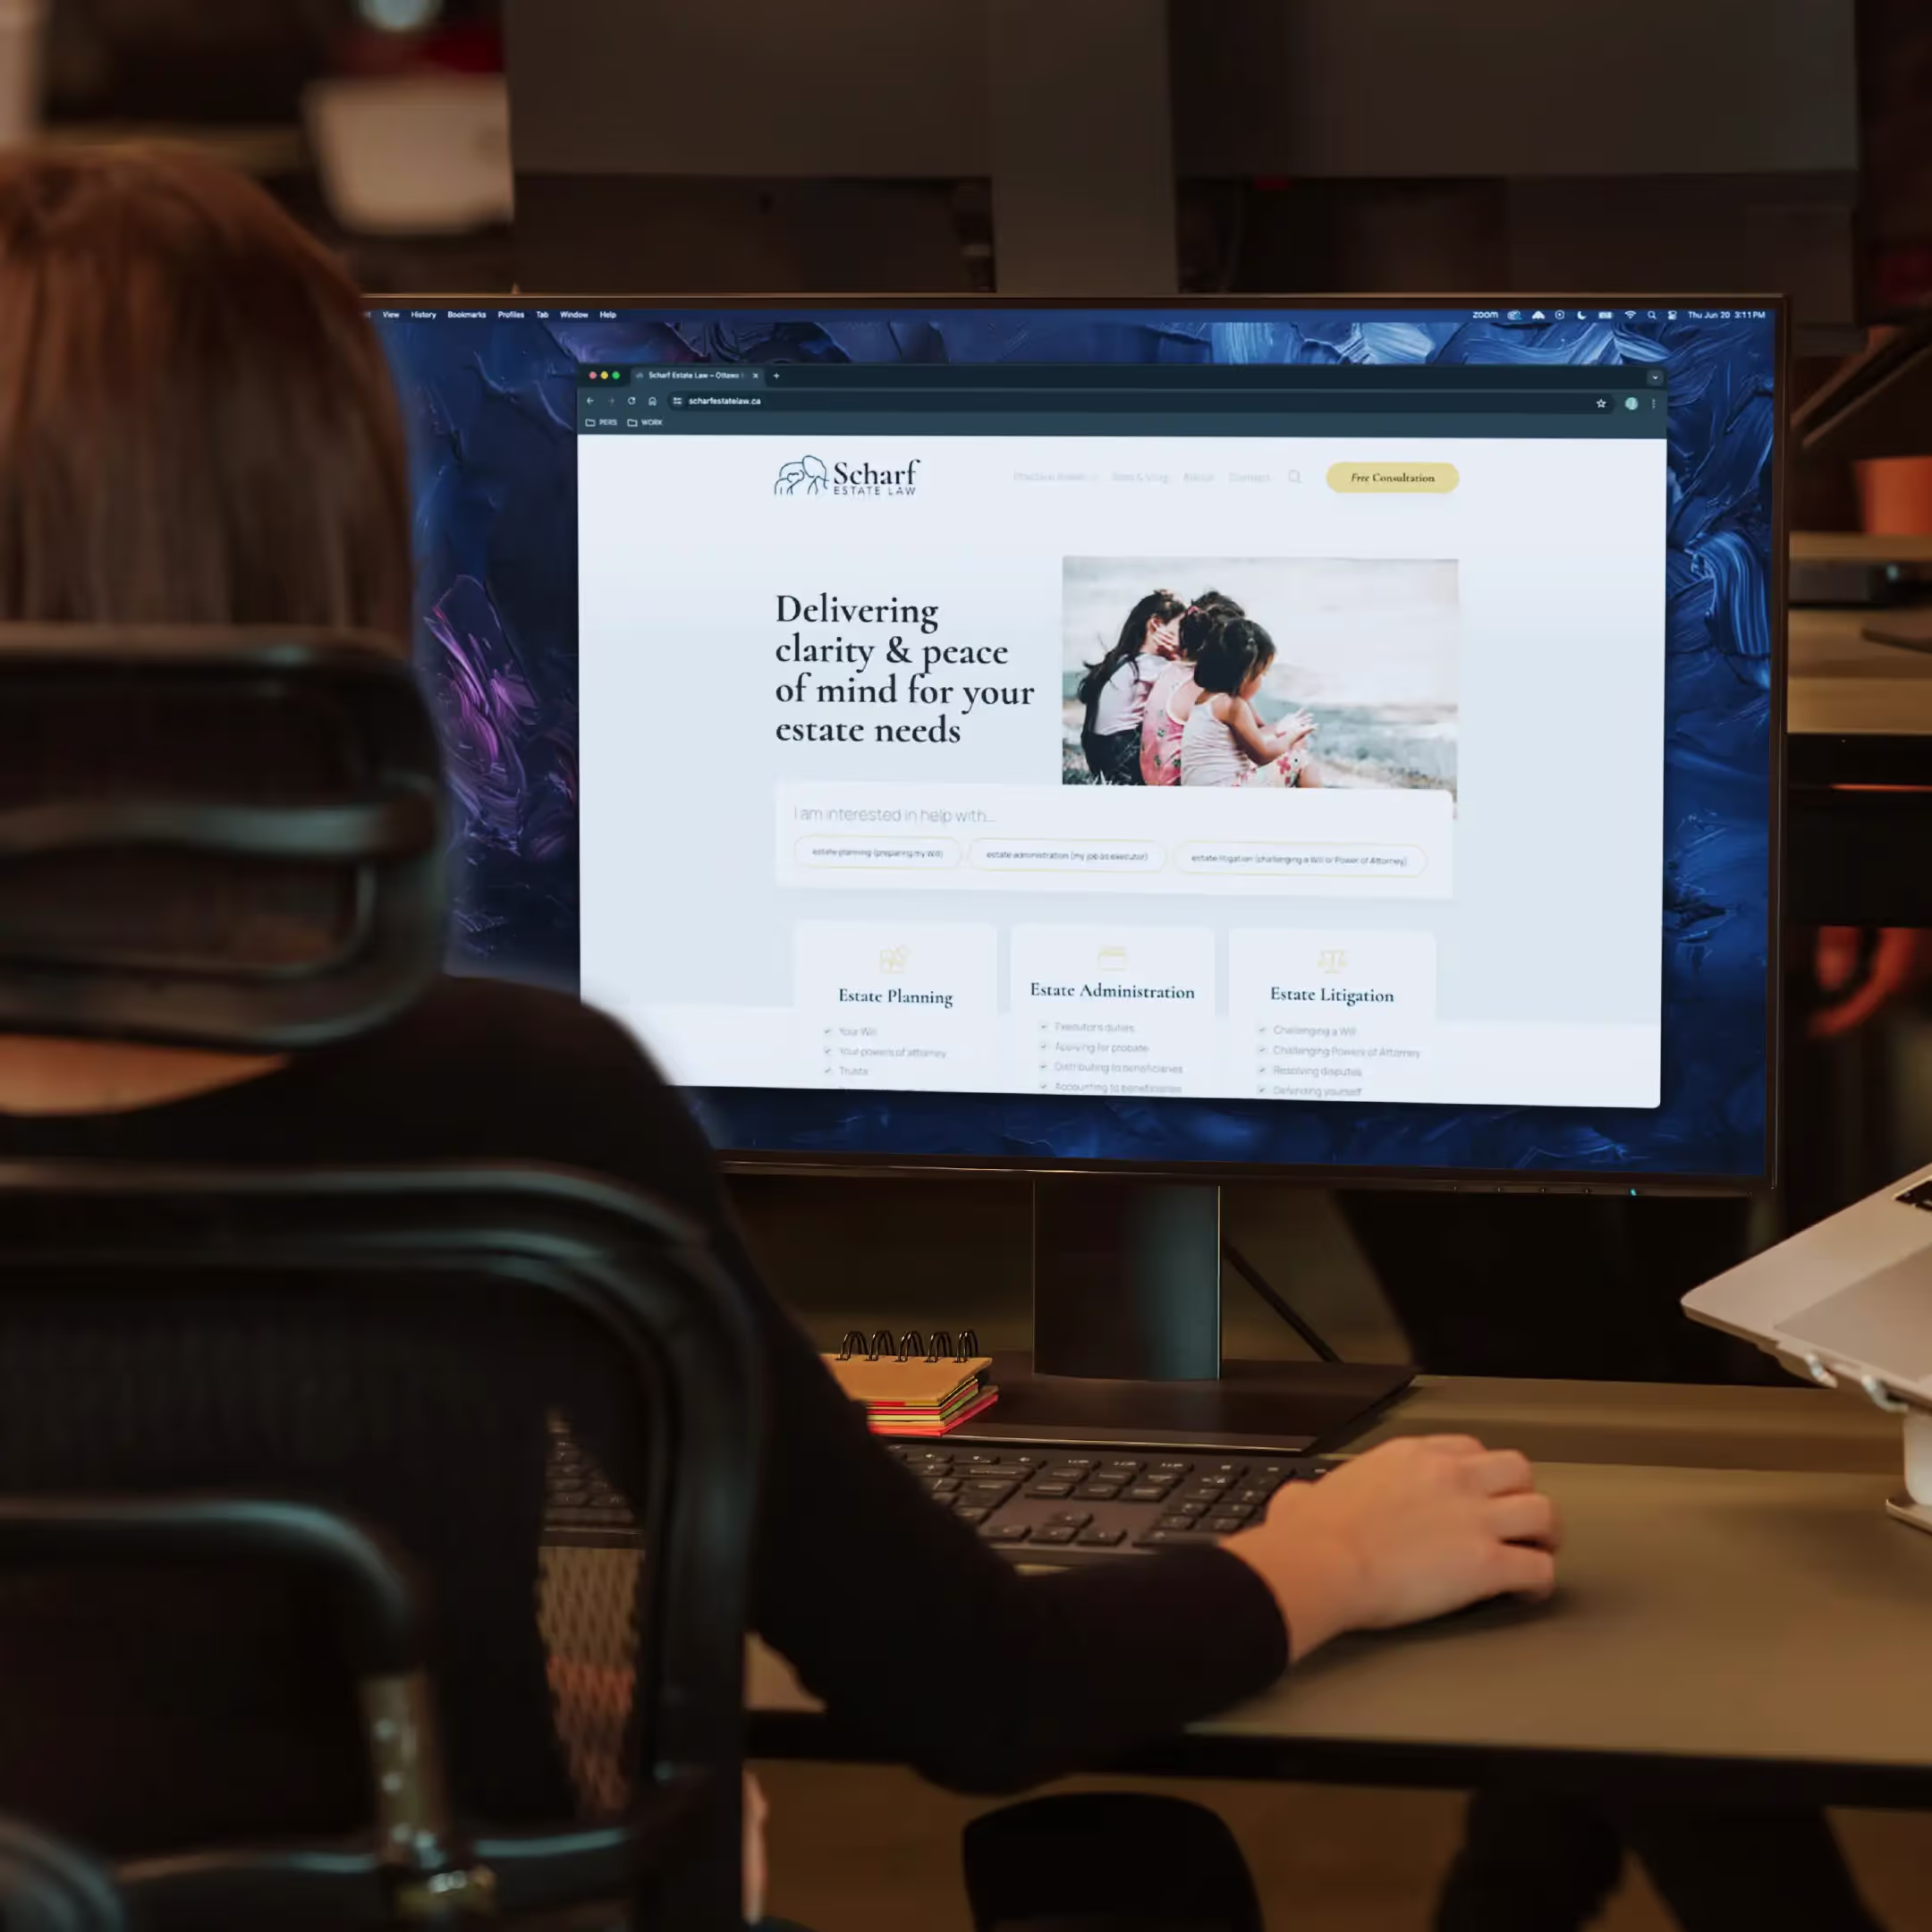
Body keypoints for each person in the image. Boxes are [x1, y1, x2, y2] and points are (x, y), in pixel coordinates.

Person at [0, 147, 1561, 1928]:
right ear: (331, 556)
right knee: (1133, 1876)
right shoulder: (513, 1110)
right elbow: (978, 1691)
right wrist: (1325, 1560)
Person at [1181, 618, 1320, 789]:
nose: (1262, 680)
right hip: (1225, 790)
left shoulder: (1205, 699)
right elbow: (1262, 755)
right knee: (1301, 760)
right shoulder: (1233, 706)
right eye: (1262, 674)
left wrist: (1282, 729)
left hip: (1198, 789)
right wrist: (1291, 736)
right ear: (1246, 675)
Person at [1076, 588, 1182, 784]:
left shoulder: (1123, 662)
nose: (1185, 640)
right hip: (1125, 768)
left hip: (1102, 763)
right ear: (1156, 625)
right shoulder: (1153, 667)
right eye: (1181, 630)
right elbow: (1198, 685)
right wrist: (1179, 657)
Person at [1141, 589, 1239, 785]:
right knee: (1297, 758)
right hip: (1182, 785)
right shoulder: (1208, 689)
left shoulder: (1168, 669)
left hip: (1153, 780)